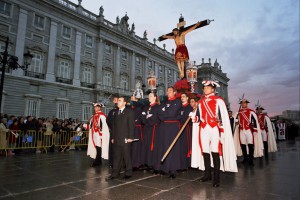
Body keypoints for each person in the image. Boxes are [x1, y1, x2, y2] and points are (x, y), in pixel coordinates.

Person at [192, 81, 237, 187]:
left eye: (207, 88)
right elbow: (198, 116)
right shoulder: (201, 101)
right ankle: (207, 174)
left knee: (215, 151)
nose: (205, 89)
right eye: (204, 88)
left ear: (212, 89)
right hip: (203, 128)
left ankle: (216, 178)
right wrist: (195, 118)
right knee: (205, 151)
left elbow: (222, 117)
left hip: (214, 128)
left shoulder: (219, 100)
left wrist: (220, 125)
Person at [106, 96, 135, 180]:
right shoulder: (116, 113)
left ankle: (128, 172)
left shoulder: (129, 112)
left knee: (126, 156)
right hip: (117, 138)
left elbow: (131, 126)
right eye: (118, 100)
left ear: (124, 103)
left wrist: (131, 137)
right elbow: (114, 126)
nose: (118, 102)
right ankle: (115, 173)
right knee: (116, 157)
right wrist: (113, 137)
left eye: (120, 100)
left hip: (126, 138)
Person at [158, 86, 182, 178]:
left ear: (174, 92)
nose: (168, 92)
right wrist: (167, 113)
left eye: (170, 91)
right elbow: (159, 114)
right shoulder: (164, 103)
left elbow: (172, 112)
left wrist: (165, 112)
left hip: (173, 127)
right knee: (164, 146)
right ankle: (165, 168)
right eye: (167, 91)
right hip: (164, 127)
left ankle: (173, 170)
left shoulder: (177, 102)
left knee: (173, 148)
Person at [233, 99, 264, 166]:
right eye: (242, 103)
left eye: (245, 103)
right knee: (243, 145)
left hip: (248, 130)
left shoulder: (251, 112)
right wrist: (236, 122)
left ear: (247, 104)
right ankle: (245, 158)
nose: (243, 104)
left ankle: (251, 159)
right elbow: (236, 122)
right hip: (241, 130)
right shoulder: (238, 112)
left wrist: (255, 129)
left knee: (250, 144)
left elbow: (254, 121)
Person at [141, 91, 161, 172]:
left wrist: (147, 118)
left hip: (154, 129)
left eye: (151, 96)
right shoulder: (146, 107)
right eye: (149, 96)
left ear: (155, 97)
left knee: (153, 147)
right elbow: (142, 117)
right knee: (146, 146)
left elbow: (156, 118)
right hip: (147, 129)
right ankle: (147, 163)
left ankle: (153, 164)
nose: (149, 97)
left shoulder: (157, 107)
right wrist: (147, 118)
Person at [86, 103, 110, 167]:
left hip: (99, 134)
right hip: (95, 134)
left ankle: (97, 161)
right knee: (97, 147)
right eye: (94, 107)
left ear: (99, 108)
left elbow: (104, 126)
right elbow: (91, 125)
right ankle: (99, 161)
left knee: (99, 147)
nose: (95, 108)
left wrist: (101, 129)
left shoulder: (102, 116)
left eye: (96, 107)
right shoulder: (93, 116)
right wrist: (88, 124)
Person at [179, 93, 193, 170]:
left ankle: (187, 164)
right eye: (181, 96)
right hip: (179, 128)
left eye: (184, 96)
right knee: (180, 147)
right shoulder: (180, 107)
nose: (182, 98)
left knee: (185, 146)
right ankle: (181, 163)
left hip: (186, 129)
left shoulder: (189, 108)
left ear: (187, 98)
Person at [188, 93, 201, 169]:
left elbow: (199, 119)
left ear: (196, 102)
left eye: (192, 101)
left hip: (198, 129)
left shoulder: (198, 109)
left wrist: (193, 117)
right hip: (194, 130)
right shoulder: (192, 110)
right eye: (190, 102)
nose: (191, 103)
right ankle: (195, 162)